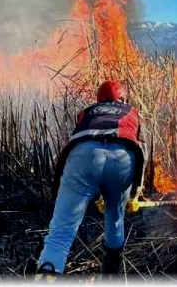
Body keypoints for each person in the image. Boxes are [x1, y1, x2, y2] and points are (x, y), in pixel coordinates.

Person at [35, 80, 145, 279]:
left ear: (99, 99)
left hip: (83, 157)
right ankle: (110, 277)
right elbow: (138, 149)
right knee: (115, 219)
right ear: (123, 98)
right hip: (122, 159)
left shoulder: (87, 112)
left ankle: (47, 275)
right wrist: (134, 194)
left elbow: (82, 140)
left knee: (61, 233)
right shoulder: (131, 111)